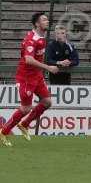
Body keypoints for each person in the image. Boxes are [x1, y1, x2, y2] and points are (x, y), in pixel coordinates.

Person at [0, 12, 59, 146]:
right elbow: (28, 59)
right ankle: (3, 132)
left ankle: (25, 124)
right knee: (26, 108)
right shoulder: (31, 39)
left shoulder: (42, 37)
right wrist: (48, 68)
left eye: (47, 19)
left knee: (47, 102)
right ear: (37, 24)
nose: (47, 21)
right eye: (44, 20)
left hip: (36, 75)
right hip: (26, 77)